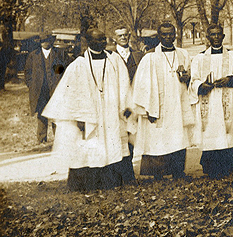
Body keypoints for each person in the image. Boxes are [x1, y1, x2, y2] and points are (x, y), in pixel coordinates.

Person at [42, 29, 134, 192]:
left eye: (102, 40)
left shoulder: (115, 61)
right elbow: (71, 93)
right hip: (88, 114)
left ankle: (111, 180)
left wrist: (125, 107)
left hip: (111, 112)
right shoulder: (79, 64)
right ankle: (88, 184)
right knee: (88, 148)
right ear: (89, 42)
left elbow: (124, 84)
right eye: (96, 41)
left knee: (111, 144)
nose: (100, 43)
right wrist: (78, 116)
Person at [131, 22, 194, 180]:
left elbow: (190, 77)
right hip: (158, 106)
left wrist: (188, 78)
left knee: (178, 138)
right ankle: (158, 174)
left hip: (178, 105)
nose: (168, 37)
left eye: (171, 34)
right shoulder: (150, 57)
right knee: (158, 139)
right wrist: (147, 109)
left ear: (175, 35)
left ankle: (178, 172)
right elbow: (141, 85)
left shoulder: (183, 54)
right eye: (164, 34)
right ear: (159, 36)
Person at [190, 23, 233, 178]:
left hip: (227, 99)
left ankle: (227, 166)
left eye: (219, 34)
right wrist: (202, 85)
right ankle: (209, 167)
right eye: (212, 34)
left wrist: (230, 79)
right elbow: (194, 80)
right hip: (209, 100)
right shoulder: (199, 58)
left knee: (226, 134)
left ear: (223, 36)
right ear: (208, 37)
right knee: (210, 133)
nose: (216, 37)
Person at [25, 31, 70, 145]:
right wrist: (32, 85)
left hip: (56, 89)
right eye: (42, 41)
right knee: (42, 114)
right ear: (40, 42)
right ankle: (41, 139)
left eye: (47, 40)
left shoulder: (59, 54)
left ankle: (58, 139)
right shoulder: (33, 55)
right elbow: (28, 73)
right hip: (40, 90)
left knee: (57, 113)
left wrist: (61, 84)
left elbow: (64, 70)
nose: (45, 43)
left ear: (52, 41)